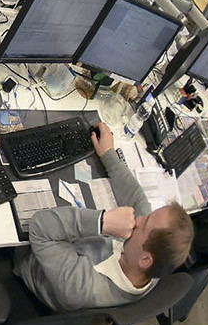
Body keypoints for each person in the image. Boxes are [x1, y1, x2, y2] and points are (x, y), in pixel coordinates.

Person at [13, 122, 193, 311]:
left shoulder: (81, 288)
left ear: (145, 260)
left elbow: (39, 228)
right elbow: (137, 199)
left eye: (145, 223)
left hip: (31, 256)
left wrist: (102, 222)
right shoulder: (153, 262)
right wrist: (109, 155)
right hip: (73, 241)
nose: (140, 218)